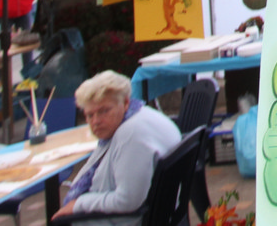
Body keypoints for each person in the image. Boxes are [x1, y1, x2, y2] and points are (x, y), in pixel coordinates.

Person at [52, 70, 181, 225]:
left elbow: (127, 200)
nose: (96, 121)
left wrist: (78, 204)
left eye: (104, 111)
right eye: (90, 115)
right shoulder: (142, 114)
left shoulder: (131, 134)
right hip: (157, 213)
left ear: (125, 103)